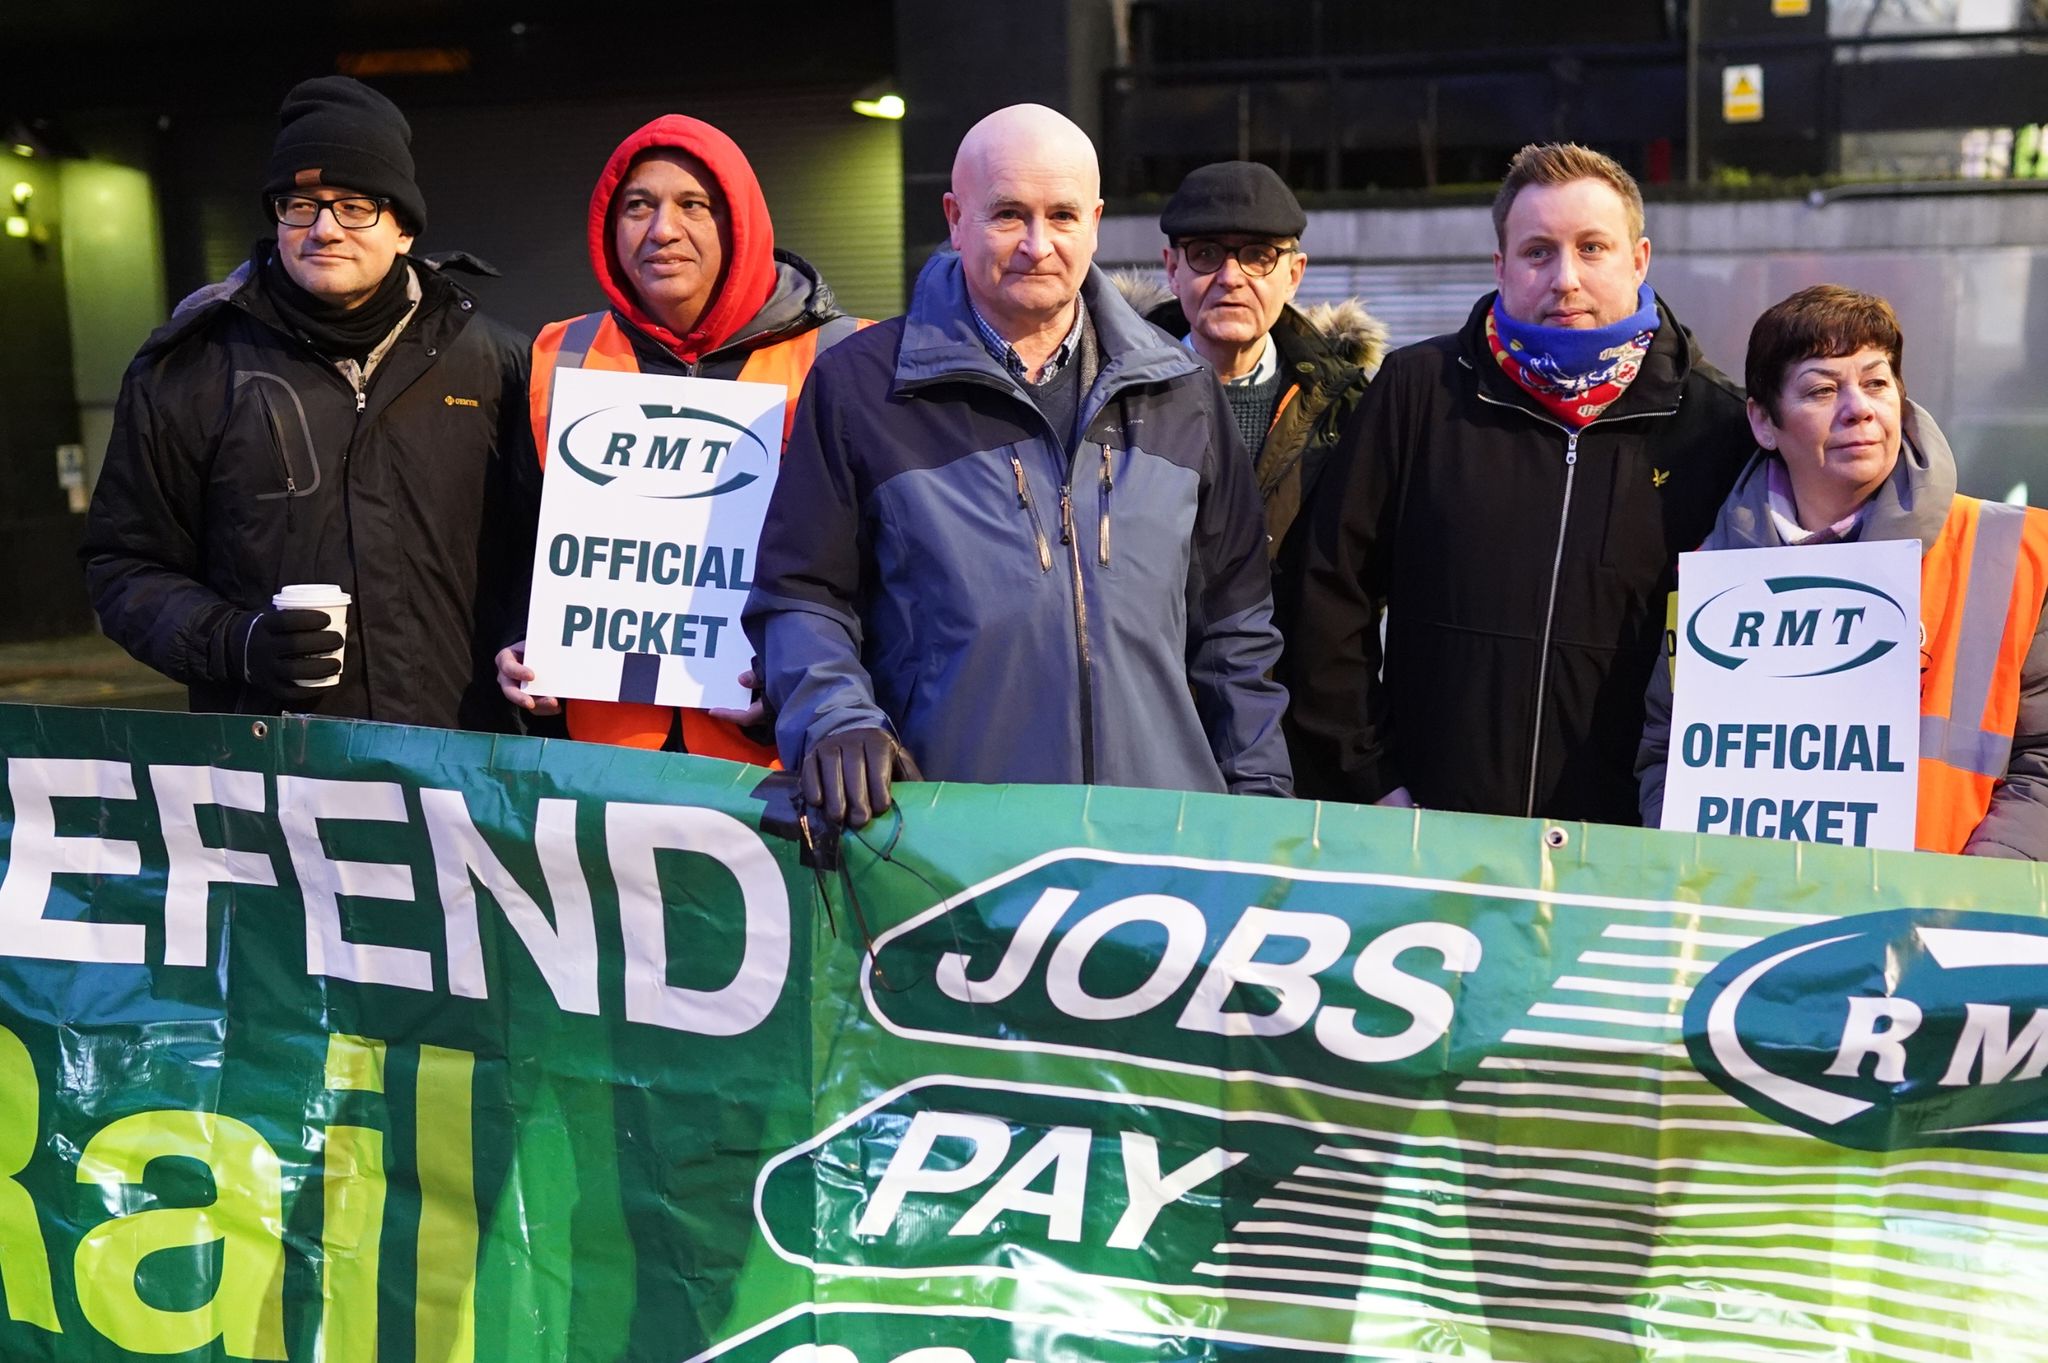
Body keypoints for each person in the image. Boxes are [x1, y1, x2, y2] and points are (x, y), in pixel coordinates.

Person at [743, 103, 1292, 826]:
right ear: (954, 216)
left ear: (1095, 221)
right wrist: (835, 717)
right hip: (950, 845)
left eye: (1063, 216)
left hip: (1161, 844)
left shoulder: (1183, 394)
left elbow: (1236, 632)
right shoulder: (860, 389)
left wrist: (1263, 806)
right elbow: (801, 596)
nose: (1039, 244)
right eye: (1008, 214)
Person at [1283, 142, 1752, 823]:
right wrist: (1372, 781)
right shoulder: (1418, 392)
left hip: (1631, 850)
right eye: (1538, 251)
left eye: (1593, 248)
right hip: (1431, 834)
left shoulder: (1715, 425)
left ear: (1639, 260)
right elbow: (1326, 598)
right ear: (1502, 266)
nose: (1565, 277)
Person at [81, 76, 536, 729]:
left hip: (462, 778)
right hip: (276, 783)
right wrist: (234, 642)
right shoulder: (190, 368)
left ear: (403, 227)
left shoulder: (501, 366)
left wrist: (540, 646)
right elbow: (123, 565)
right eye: (300, 203)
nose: (325, 228)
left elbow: (554, 555)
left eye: (355, 205)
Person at [496, 114, 866, 761]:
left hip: (777, 770)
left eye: (693, 205)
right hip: (599, 768)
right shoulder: (560, 354)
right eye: (638, 206)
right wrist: (520, 644)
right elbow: (513, 545)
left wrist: (805, 684)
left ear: (739, 223)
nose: (662, 230)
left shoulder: (847, 357)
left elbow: (890, 572)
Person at [1638, 285, 2047, 858]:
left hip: (1942, 927)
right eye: (1823, 389)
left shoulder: (2015, 552)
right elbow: (1667, 755)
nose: (1859, 407)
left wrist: (1969, 895)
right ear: (1763, 422)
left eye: (1877, 382)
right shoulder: (1712, 575)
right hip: (1749, 917)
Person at [1135, 160, 1384, 619]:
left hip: (1295, 684)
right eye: (1206, 253)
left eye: (1258, 256)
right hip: (1152, 684)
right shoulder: (1114, 396)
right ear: (1172, 269)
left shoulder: (1349, 410)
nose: (1231, 277)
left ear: (1293, 274)